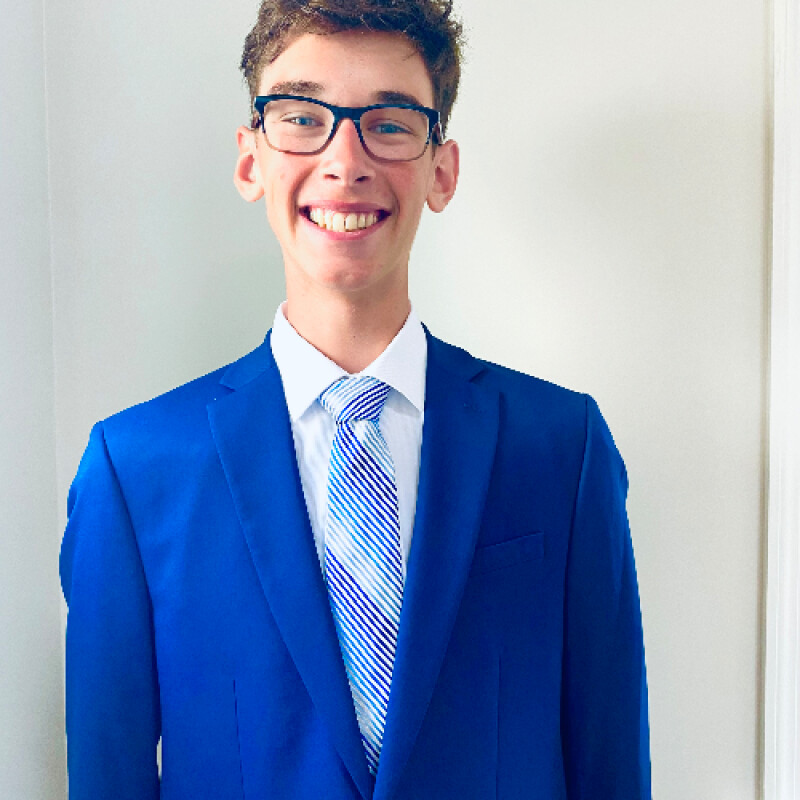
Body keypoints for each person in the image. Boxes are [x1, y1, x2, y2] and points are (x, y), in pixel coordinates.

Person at [60, 0, 651, 797]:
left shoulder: (559, 446)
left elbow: (610, 764)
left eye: (390, 123)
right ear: (251, 160)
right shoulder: (136, 469)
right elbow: (109, 771)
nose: (346, 160)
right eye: (303, 118)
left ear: (442, 170)